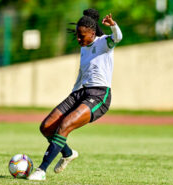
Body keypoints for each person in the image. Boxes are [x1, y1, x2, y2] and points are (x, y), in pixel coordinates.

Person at [27, 8, 123, 181]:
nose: (78, 39)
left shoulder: (104, 43)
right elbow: (82, 73)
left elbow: (118, 38)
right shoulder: (84, 48)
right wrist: (73, 94)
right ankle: (68, 153)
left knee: (65, 125)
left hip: (99, 95)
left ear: (92, 33)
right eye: (77, 35)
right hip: (80, 93)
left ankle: (41, 170)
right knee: (46, 127)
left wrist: (114, 26)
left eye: (81, 36)